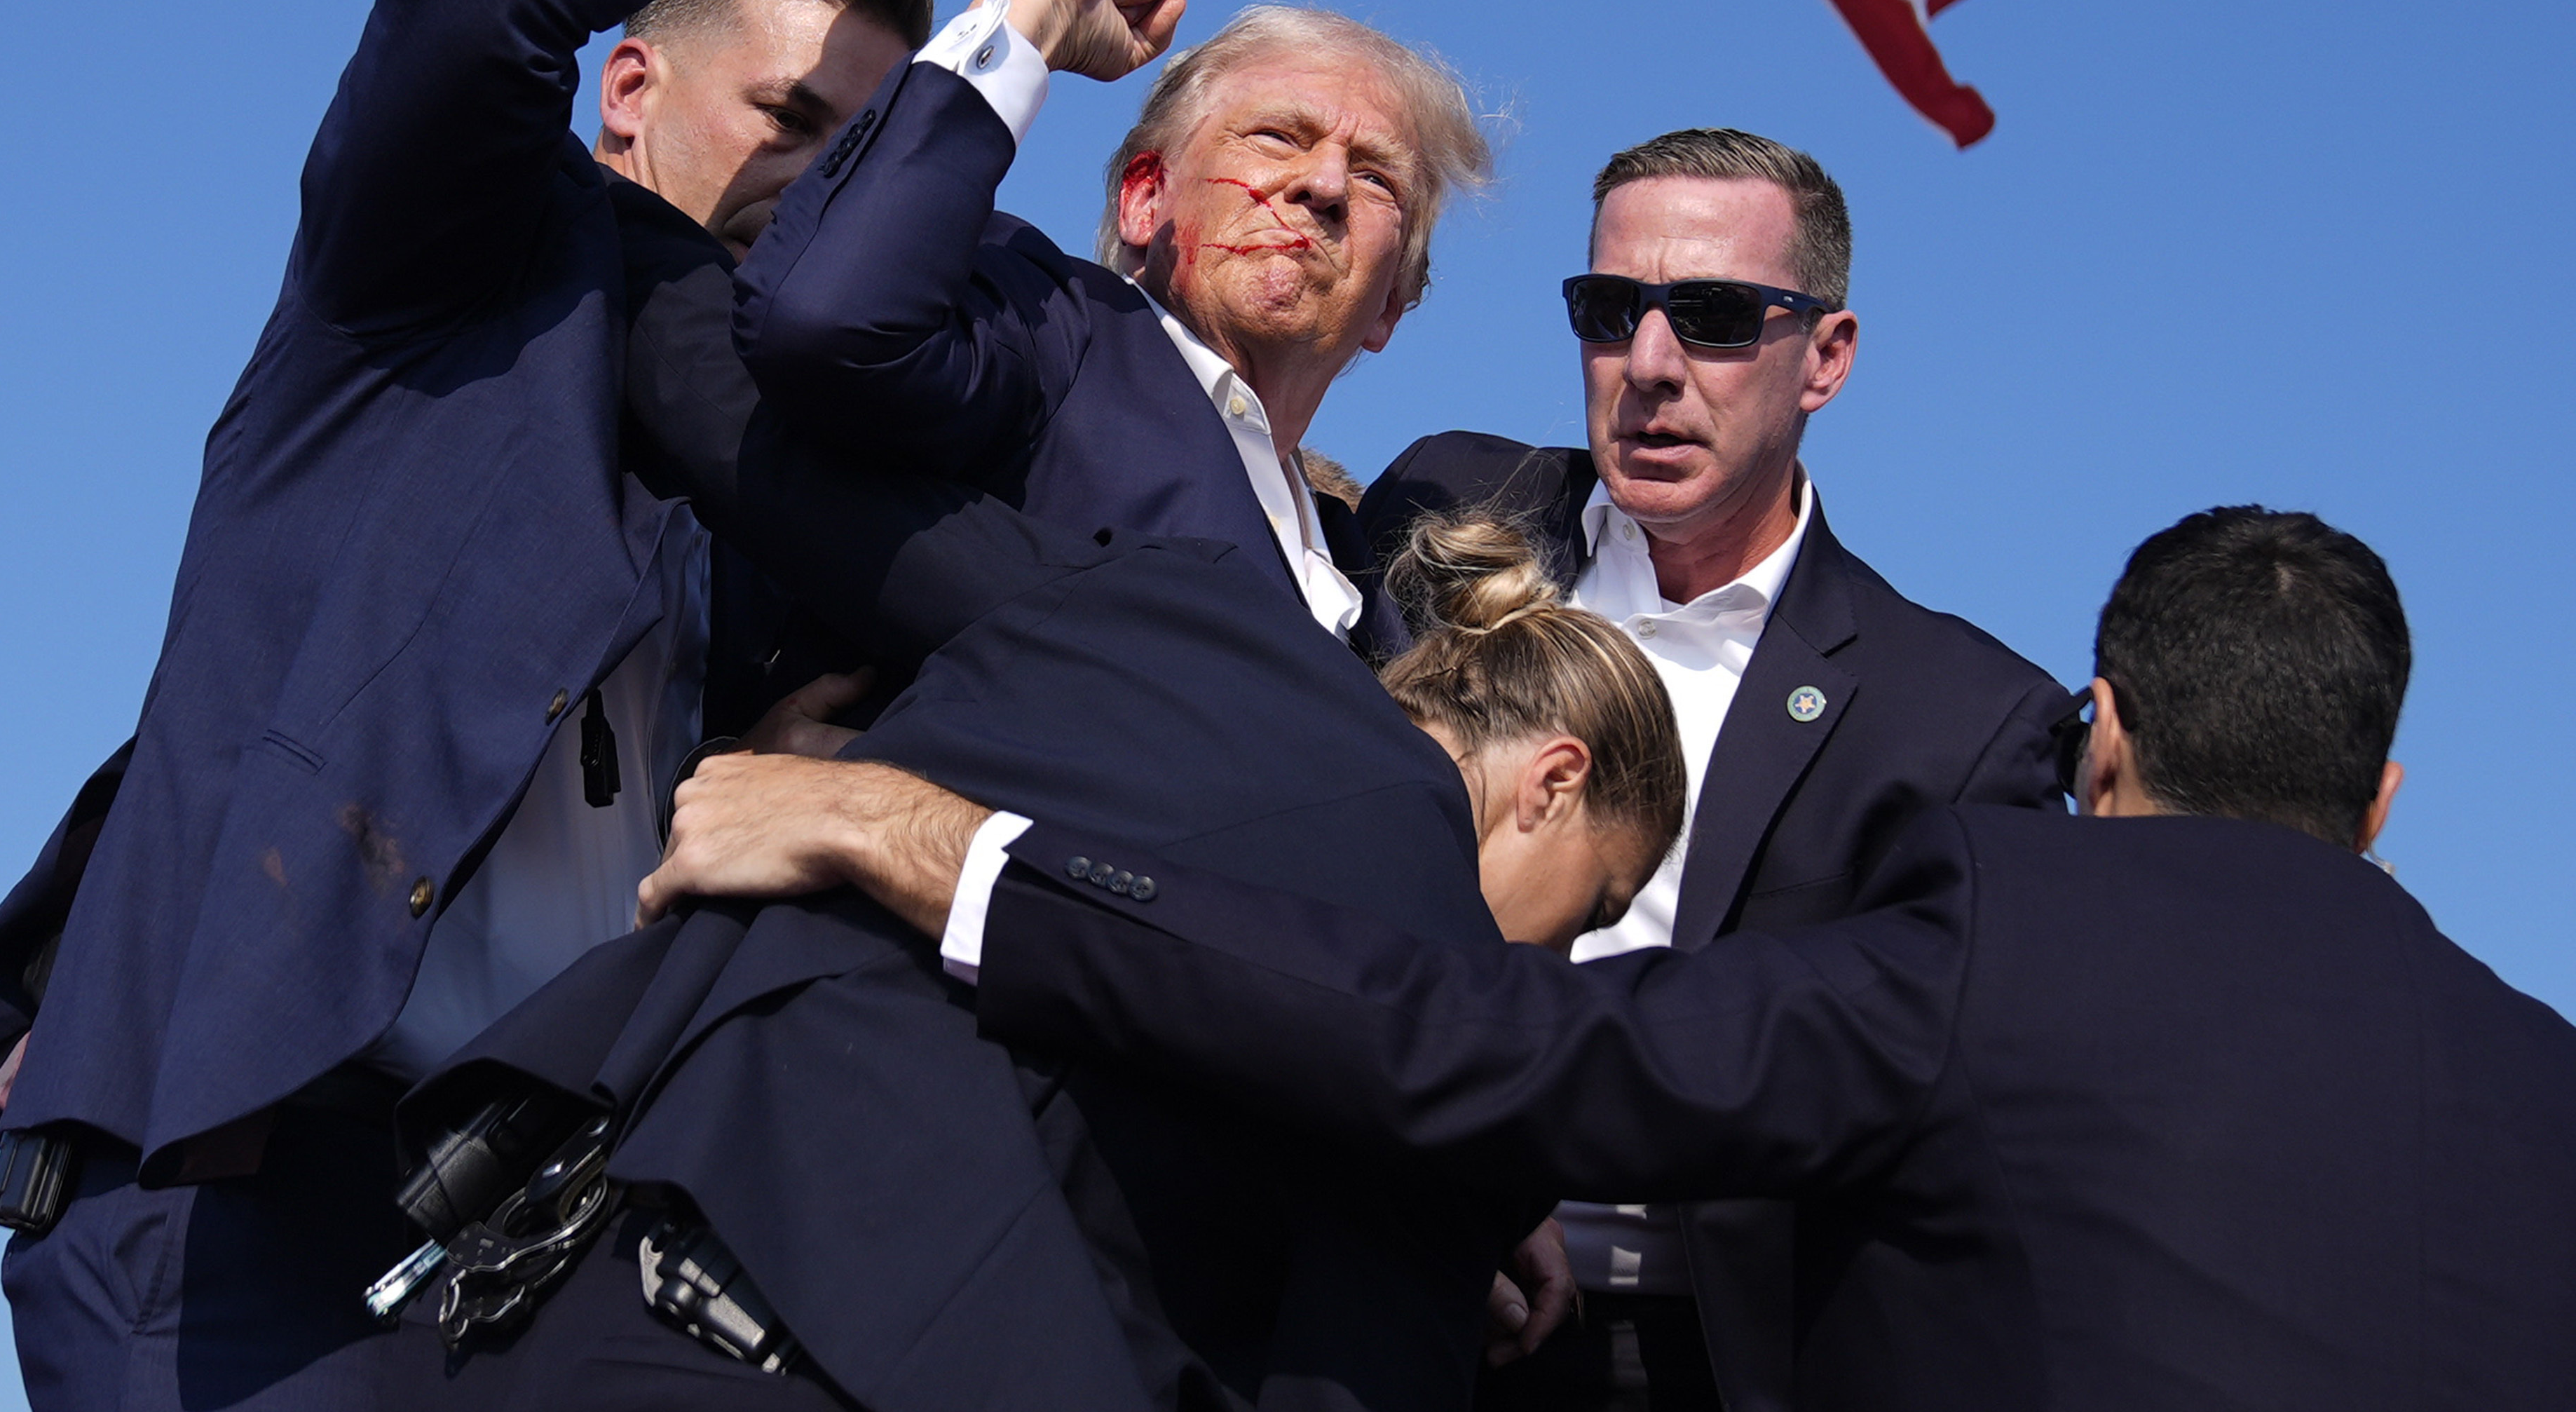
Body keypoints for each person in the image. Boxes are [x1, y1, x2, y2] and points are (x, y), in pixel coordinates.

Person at [0, 0, 1123, 1412]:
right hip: (239, 1201)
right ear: (629, 90)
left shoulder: (795, 464)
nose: (821, 180)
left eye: (865, 153)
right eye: (788, 115)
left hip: (538, 1222)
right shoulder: (436, 275)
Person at [695, 505, 2576, 1411]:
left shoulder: (2005, 936)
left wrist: (940, 845)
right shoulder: (2539, 1082)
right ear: (2385, 797)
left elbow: (1471, 1041)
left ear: (2104, 734)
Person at [367, 468, 1679, 1410]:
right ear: (1554, 780)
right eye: (1597, 903)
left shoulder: (1175, 623)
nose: (1556, 960)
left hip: (547, 1277)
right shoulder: (1449, 1008)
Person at [1358, 127, 2071, 1404]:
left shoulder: (1958, 721)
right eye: (1610, 309)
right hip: (1360, 1270)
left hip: (1687, 1357)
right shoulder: (1439, 507)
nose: (1648, 364)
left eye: (1715, 316)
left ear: (1828, 359)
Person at [733, 0, 1494, 665]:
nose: (1326, 184)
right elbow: (828, 322)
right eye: (1277, 136)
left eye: (1374, 177)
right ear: (1144, 200)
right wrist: (1034, 9)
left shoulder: (1366, 596)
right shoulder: (1044, 330)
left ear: (1389, 306)